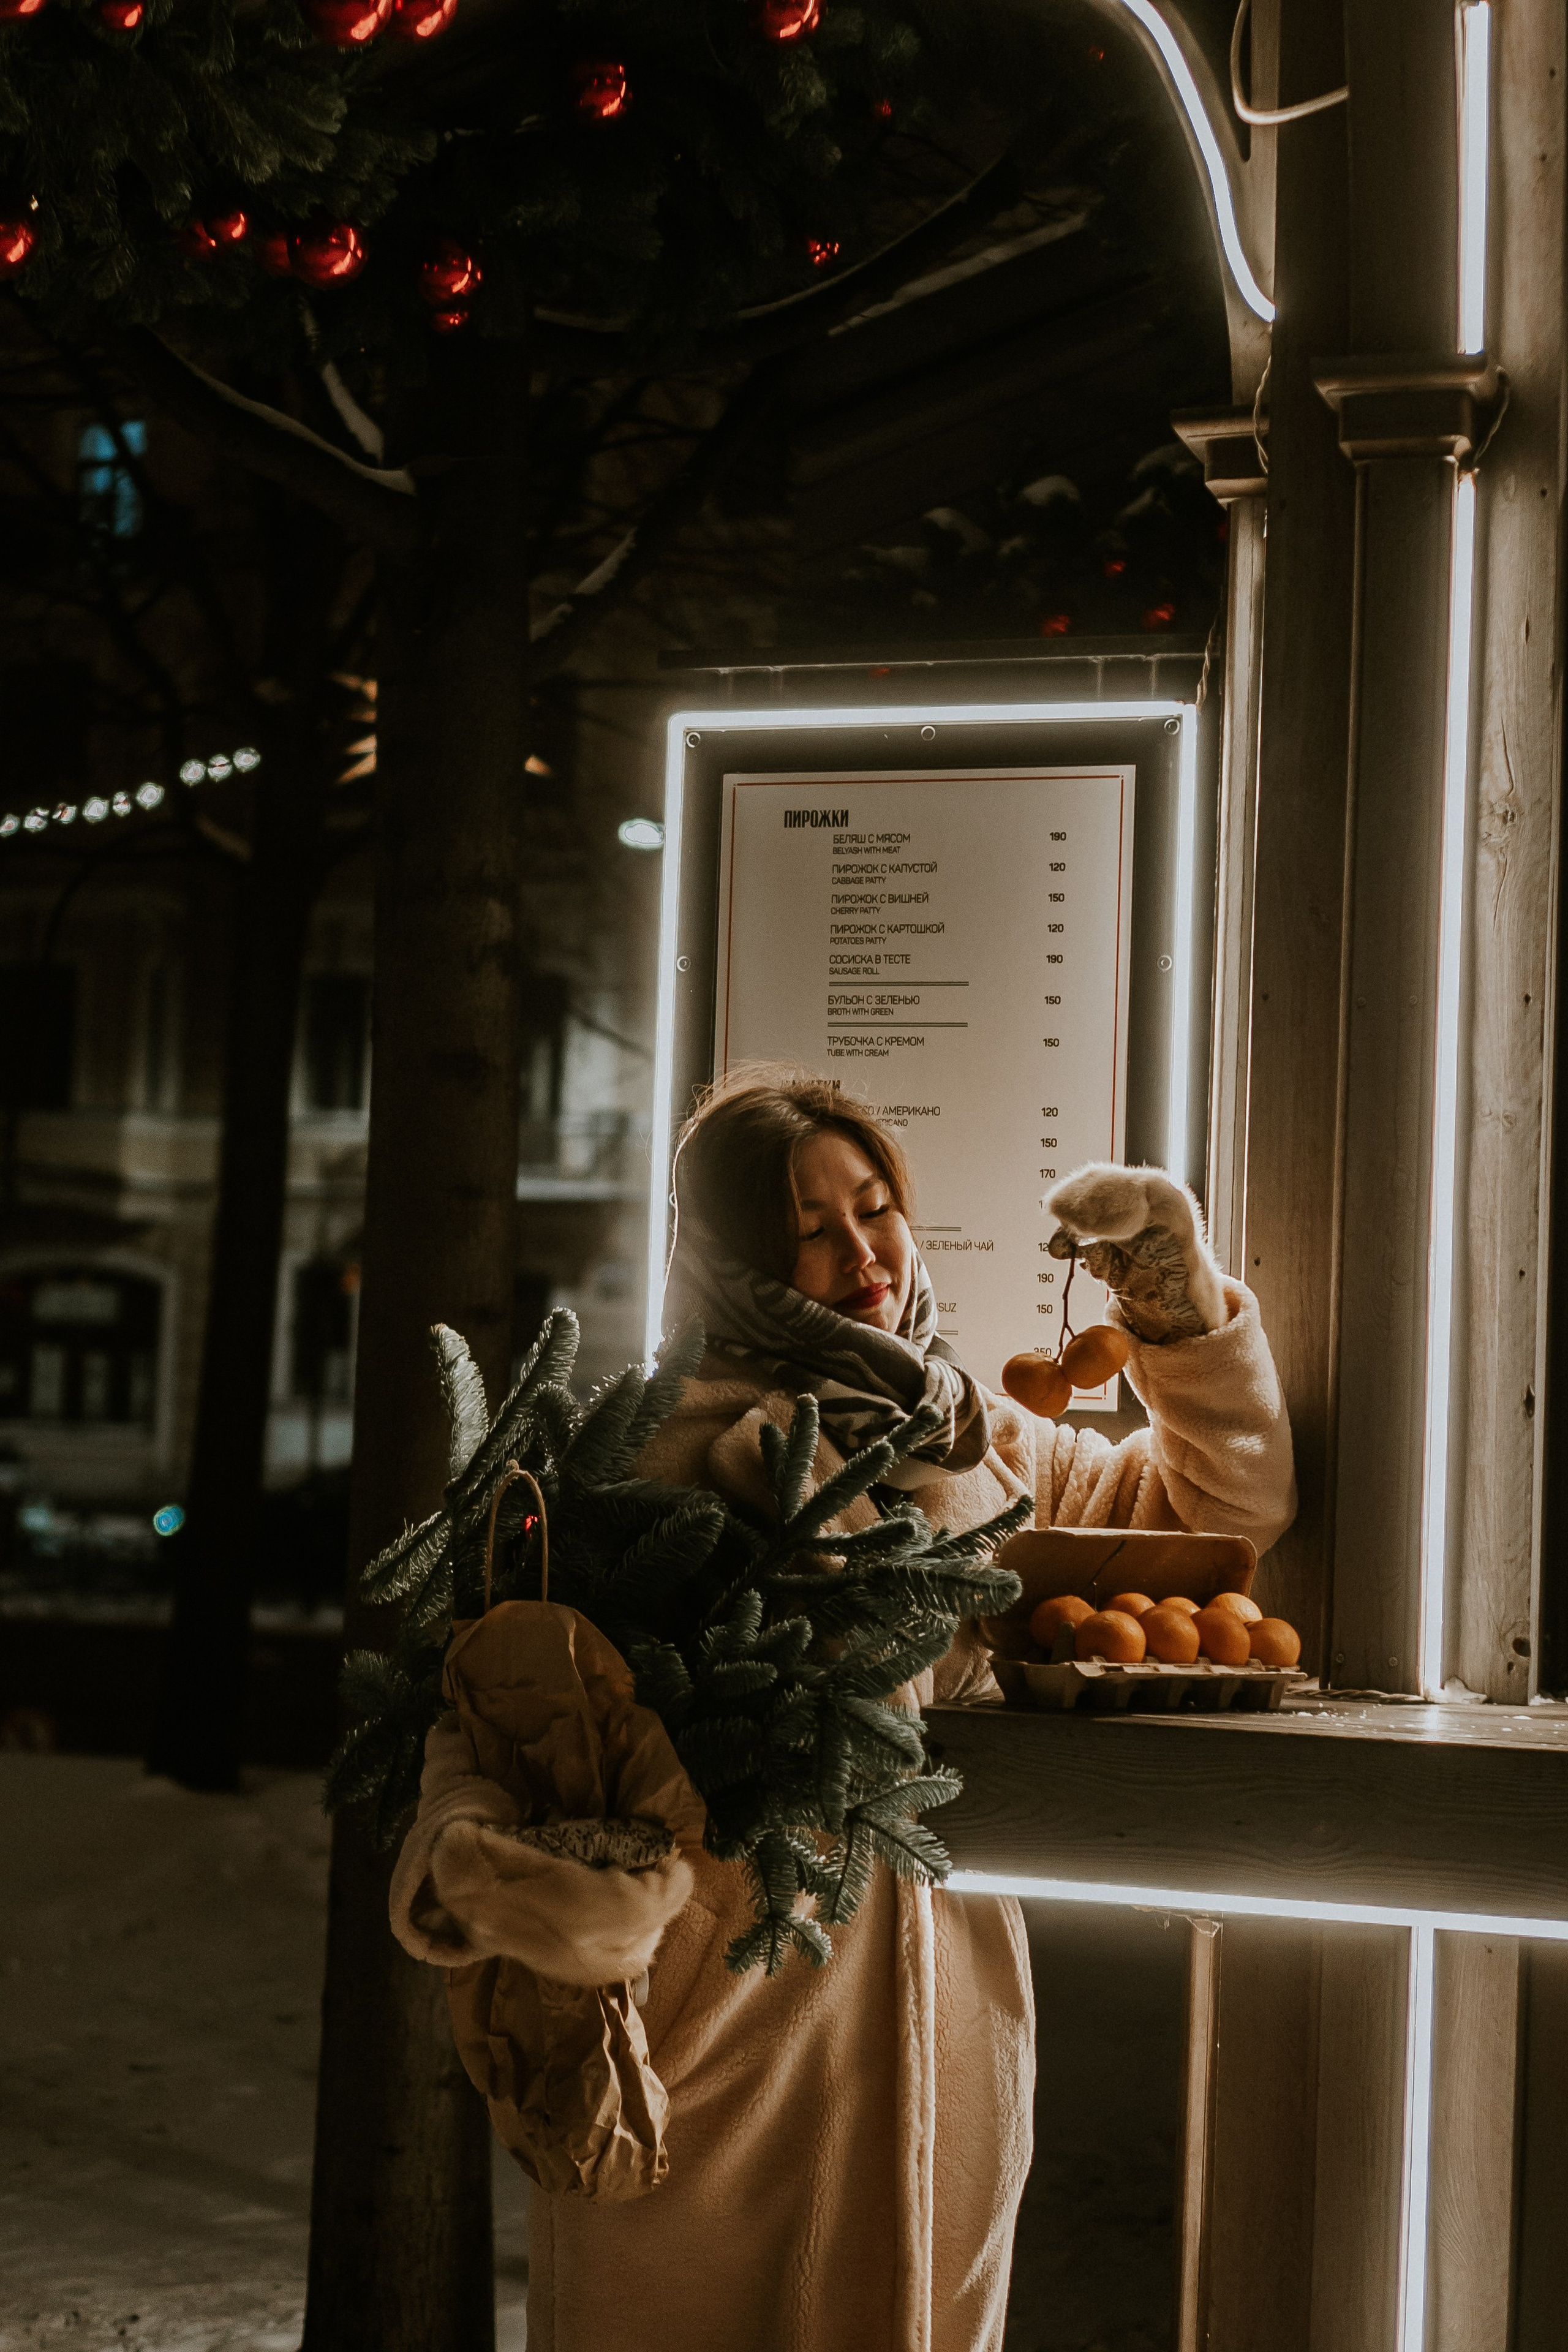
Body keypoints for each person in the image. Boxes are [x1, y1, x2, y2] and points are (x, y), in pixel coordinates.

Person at [415, 1067, 1297, 2352]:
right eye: (807, 1228)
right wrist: (485, 1858)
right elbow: (507, 1698)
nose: (860, 1251)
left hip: (940, 2012)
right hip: (719, 2006)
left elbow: (1212, 1523)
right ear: (730, 1256)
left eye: (873, 1207)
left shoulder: (970, 1439)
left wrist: (1170, 1298)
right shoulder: (641, 1451)